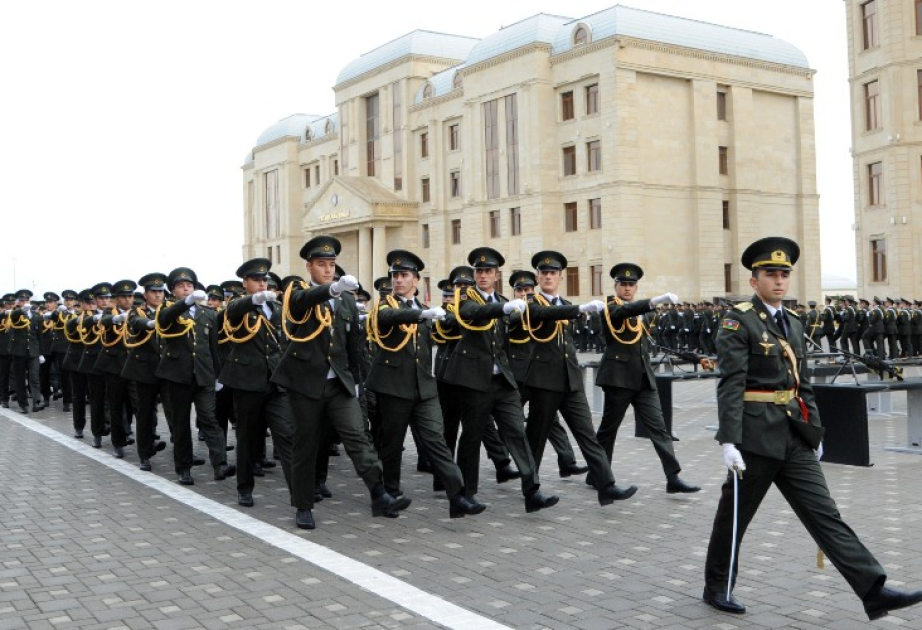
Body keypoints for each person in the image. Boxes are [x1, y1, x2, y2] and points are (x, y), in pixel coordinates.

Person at [703, 236, 922, 620]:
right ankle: (717, 587)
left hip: (794, 435)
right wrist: (729, 441)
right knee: (734, 516)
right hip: (754, 437)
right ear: (754, 280)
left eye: (784, 274)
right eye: (770, 274)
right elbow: (731, 384)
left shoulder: (793, 321)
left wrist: (815, 432)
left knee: (825, 514)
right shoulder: (738, 320)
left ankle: (873, 590)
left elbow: (802, 384)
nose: (779, 281)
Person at [272, 235, 410, 530]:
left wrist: (359, 381)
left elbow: (355, 344)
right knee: (306, 445)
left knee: (357, 437)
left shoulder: (346, 300)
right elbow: (303, 302)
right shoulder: (297, 294)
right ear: (309, 267)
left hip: (339, 384)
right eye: (321, 264)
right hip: (306, 385)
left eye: (331, 264)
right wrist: (331, 289)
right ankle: (303, 505)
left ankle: (379, 493)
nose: (328, 270)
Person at [364, 249, 485, 518]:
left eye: (404, 275)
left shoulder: (427, 310)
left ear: (416, 280)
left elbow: (455, 322)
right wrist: (421, 316)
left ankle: (457, 496)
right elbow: (388, 319)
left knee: (436, 441)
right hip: (393, 387)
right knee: (392, 444)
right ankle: (390, 494)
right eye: (394, 275)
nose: (397, 280)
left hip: (424, 388)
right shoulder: (386, 306)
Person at [442, 246, 558, 513]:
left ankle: (533, 491)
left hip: (501, 381)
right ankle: (464, 495)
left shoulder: (505, 300)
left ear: (496, 275)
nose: (483, 275)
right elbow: (475, 313)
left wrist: (573, 309)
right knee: (471, 437)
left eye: (488, 271)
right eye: (479, 271)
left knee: (517, 433)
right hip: (474, 380)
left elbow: (526, 322)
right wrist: (504, 307)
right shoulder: (464, 299)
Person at [519, 252, 636, 504]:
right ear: (538, 276)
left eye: (553, 273)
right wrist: (579, 308)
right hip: (543, 381)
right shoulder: (531, 303)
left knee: (588, 435)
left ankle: (607, 485)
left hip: (570, 380)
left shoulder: (564, 303)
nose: (548, 276)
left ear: (560, 277)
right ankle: (531, 491)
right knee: (536, 438)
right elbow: (541, 315)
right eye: (544, 273)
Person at [591, 263, 700, 495]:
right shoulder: (610, 308)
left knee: (659, 429)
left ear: (636, 287)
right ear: (616, 286)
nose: (627, 288)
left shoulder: (639, 314)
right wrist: (654, 301)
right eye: (623, 284)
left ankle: (673, 477)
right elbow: (623, 313)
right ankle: (598, 474)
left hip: (642, 378)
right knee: (609, 430)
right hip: (618, 379)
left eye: (631, 285)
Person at [219, 258, 294, 508]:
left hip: (275, 383)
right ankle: (245, 487)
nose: (262, 284)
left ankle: (300, 494)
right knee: (247, 439)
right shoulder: (238, 305)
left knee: (287, 436)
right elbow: (233, 310)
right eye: (256, 280)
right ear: (245, 283)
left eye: (264, 280)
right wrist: (257, 299)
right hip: (247, 382)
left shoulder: (277, 307)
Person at [155, 267, 235, 485]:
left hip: (204, 375)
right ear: (173, 290)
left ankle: (220, 464)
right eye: (181, 286)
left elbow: (213, 348)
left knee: (209, 419)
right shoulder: (169, 311)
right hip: (178, 376)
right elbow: (164, 319)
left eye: (189, 285)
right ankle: (184, 467)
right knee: (181, 424)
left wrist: (218, 376)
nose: (186, 289)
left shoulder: (207, 314)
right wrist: (186, 302)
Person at [506, 269, 588, 478]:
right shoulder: (512, 312)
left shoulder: (541, 307)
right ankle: (504, 459)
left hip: (539, 374)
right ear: (514, 293)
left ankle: (567, 460)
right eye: (519, 290)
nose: (523, 293)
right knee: (511, 420)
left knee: (552, 422)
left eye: (527, 289)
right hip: (516, 376)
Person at [123, 273, 169, 471]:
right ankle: (145, 452)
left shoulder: (169, 310)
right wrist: (151, 323)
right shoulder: (137, 312)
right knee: (145, 412)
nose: (158, 296)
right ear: (146, 294)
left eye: (160, 292)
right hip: (145, 369)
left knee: (174, 411)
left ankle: (184, 453)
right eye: (153, 292)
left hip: (167, 369)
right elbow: (136, 323)